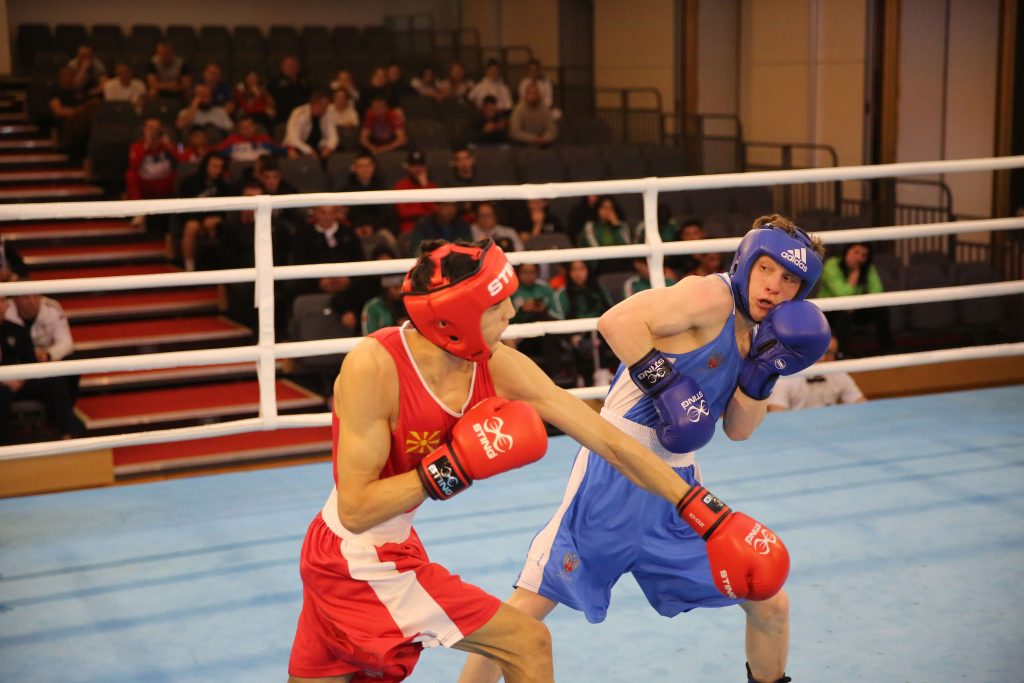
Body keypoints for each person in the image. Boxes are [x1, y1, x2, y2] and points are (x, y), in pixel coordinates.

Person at [287, 238, 794, 683]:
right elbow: (356, 509)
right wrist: (451, 469)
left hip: (385, 544)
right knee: (528, 642)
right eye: (498, 305)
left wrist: (699, 507)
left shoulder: (497, 364)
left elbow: (608, 440)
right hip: (356, 557)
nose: (512, 313)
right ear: (457, 315)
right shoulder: (373, 366)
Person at [459, 216, 832, 683]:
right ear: (745, 263)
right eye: (767, 269)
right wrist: (666, 384)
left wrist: (763, 373)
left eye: (790, 279)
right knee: (525, 613)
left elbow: (738, 431)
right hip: (615, 474)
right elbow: (616, 321)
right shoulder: (709, 297)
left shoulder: (760, 338)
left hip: (679, 488)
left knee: (767, 598)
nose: (774, 286)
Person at [816, 242, 892, 355]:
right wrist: (855, 272)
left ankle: (887, 351)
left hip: (856, 308)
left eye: (864, 255)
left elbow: (877, 291)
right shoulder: (832, 265)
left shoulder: (867, 268)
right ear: (847, 251)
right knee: (845, 313)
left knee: (881, 308)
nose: (859, 258)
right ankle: (841, 354)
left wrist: (857, 304)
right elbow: (843, 294)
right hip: (831, 311)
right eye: (856, 252)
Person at [768, 336, 866, 412]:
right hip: (795, 429)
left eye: (829, 353)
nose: (822, 358)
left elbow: (861, 405)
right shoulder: (786, 377)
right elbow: (777, 415)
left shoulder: (838, 374)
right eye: (819, 351)